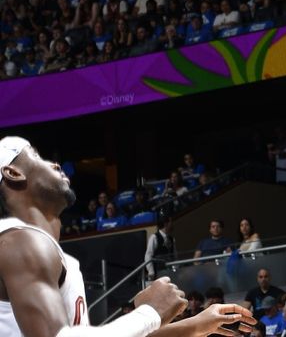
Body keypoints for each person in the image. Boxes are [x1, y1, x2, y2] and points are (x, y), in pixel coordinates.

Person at [0, 136, 255, 337]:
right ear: (13, 172)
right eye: (34, 155)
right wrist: (149, 312)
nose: (54, 163)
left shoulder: (32, 247)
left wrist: (196, 325)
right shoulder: (21, 242)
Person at [145, 217, 176, 281]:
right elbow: (148, 255)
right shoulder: (154, 237)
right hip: (158, 273)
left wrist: (176, 268)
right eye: (171, 222)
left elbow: (175, 256)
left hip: (170, 272)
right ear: (165, 224)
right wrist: (151, 272)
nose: (173, 224)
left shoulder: (172, 239)